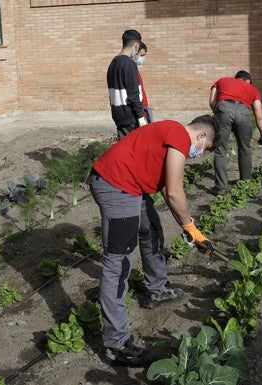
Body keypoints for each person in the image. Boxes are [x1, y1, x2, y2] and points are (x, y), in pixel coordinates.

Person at [88, 115, 218, 367]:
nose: (199, 154)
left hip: (131, 185)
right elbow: (174, 191)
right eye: (206, 149)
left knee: (152, 230)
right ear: (201, 137)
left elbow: (167, 189)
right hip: (117, 185)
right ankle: (117, 345)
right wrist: (191, 228)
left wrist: (191, 230)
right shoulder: (179, 136)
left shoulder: (170, 133)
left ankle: (156, 290)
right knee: (119, 265)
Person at [209, 70, 262, 195]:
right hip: (243, 112)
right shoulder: (252, 88)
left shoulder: (222, 80)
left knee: (220, 149)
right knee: (244, 148)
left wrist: (219, 114)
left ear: (236, 78)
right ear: (248, 81)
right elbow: (259, 114)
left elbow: (212, 101)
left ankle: (220, 187)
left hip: (223, 108)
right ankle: (246, 183)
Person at [107, 29, 147, 139]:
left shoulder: (113, 63)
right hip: (131, 118)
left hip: (118, 116)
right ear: (136, 45)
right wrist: (141, 116)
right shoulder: (129, 64)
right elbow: (134, 93)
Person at [133, 41, 154, 123]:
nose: (143, 58)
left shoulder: (135, 70)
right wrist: (141, 115)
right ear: (134, 53)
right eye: (141, 55)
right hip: (139, 113)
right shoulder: (131, 71)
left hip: (143, 110)